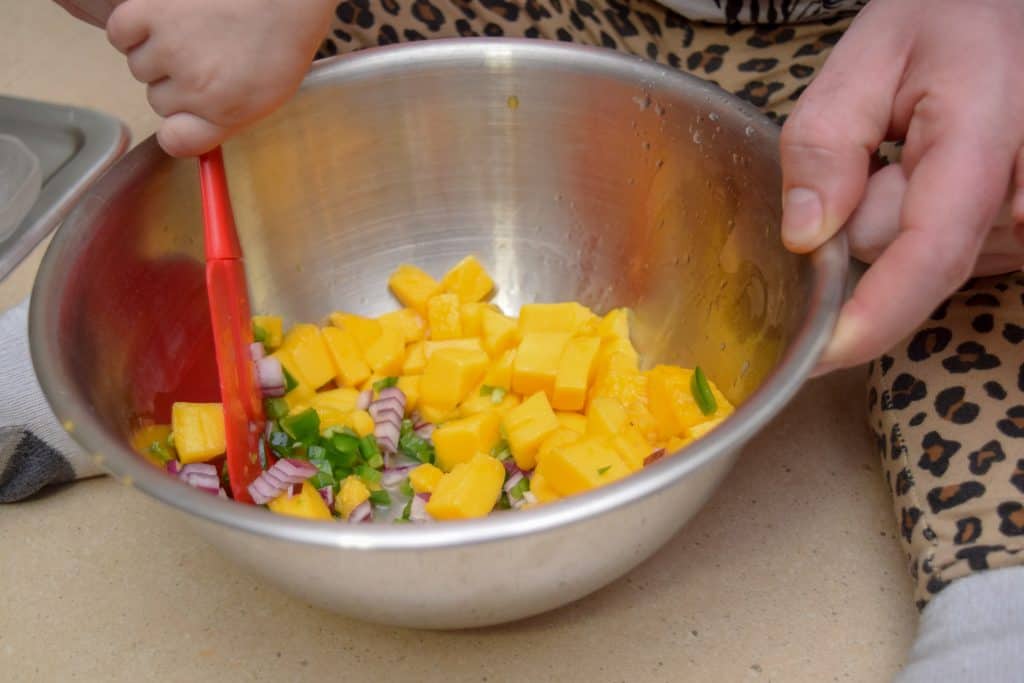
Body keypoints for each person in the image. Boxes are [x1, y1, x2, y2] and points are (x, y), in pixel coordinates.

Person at [7, 0, 1022, 679]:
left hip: (881, 49)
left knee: (979, 256)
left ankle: (997, 606)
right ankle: (78, 370)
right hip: (558, 11)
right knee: (336, 51)